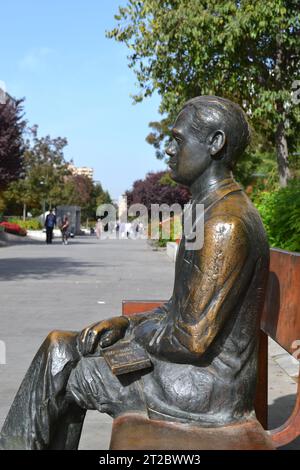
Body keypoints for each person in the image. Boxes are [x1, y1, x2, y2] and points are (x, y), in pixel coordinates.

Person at [0, 96, 269, 450]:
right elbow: (178, 308)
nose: (169, 151)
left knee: (64, 365)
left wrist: (135, 336)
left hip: (202, 388)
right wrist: (125, 324)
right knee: (60, 345)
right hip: (190, 372)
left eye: (178, 140)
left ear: (215, 143)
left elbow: (191, 339)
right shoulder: (206, 210)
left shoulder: (224, 223)